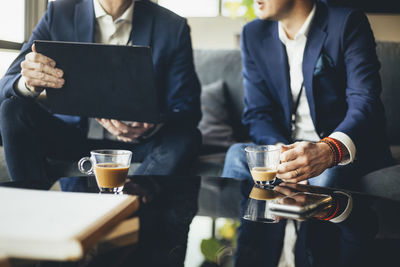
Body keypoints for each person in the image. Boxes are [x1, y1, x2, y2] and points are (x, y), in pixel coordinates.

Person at [0, 0, 201, 183]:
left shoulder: (173, 27)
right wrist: (29, 82)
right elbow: (5, 87)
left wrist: (151, 125)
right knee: (12, 110)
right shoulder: (58, 13)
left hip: (139, 145)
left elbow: (188, 109)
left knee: (188, 137)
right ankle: (32, 204)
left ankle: (131, 200)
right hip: (73, 139)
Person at [222, 0, 394, 188]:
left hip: (336, 149)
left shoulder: (347, 22)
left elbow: (364, 101)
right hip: (286, 147)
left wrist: (329, 150)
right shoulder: (253, 33)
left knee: (326, 175)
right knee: (237, 156)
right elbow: (257, 112)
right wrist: (280, 152)